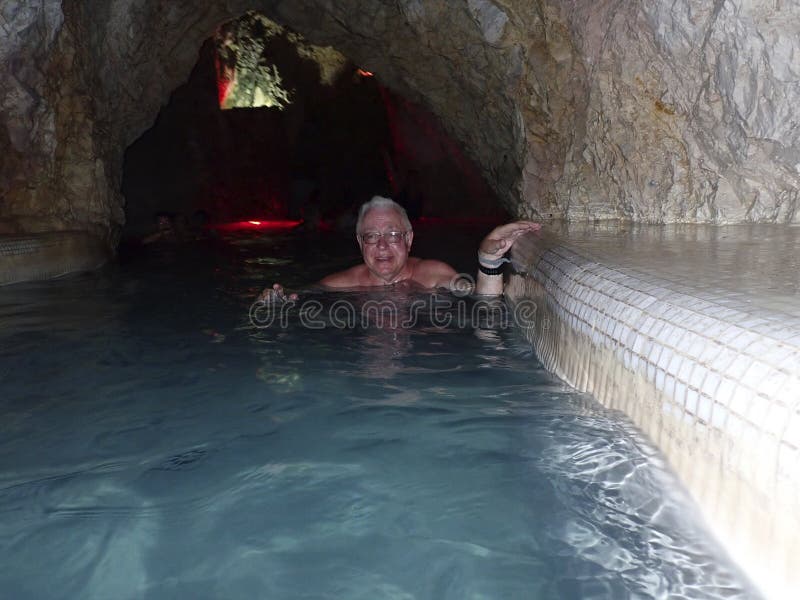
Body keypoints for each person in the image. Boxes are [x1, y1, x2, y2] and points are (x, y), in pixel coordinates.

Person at [257, 196, 540, 302]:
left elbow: (485, 301)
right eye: (371, 236)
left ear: (409, 239)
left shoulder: (431, 275)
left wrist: (488, 258)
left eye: (393, 235)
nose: (382, 245)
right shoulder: (341, 283)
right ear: (360, 243)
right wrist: (275, 301)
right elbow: (298, 296)